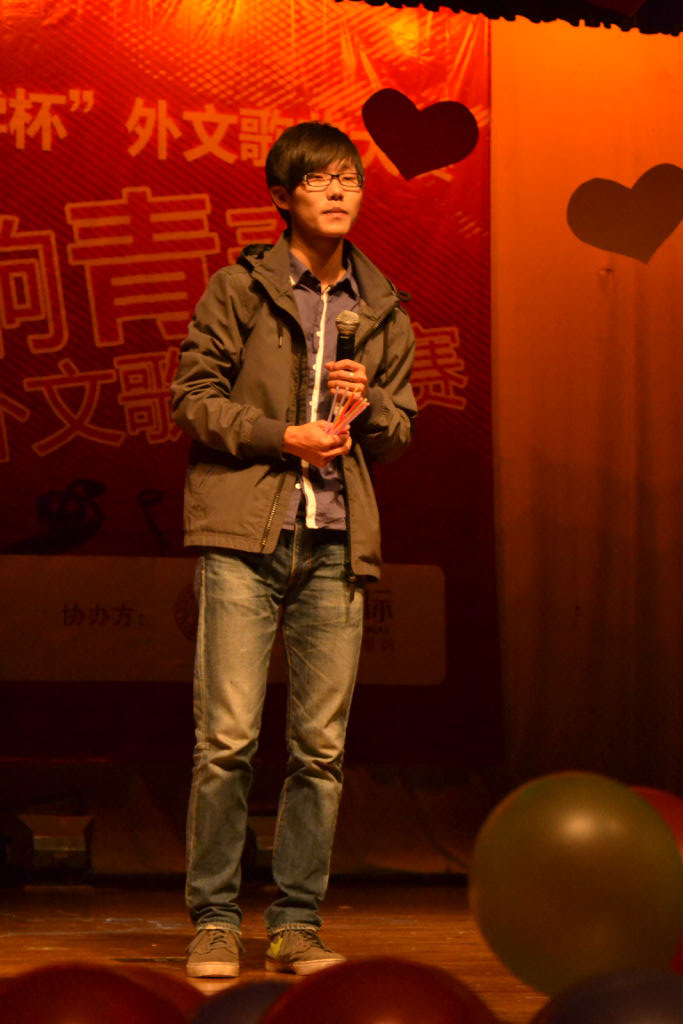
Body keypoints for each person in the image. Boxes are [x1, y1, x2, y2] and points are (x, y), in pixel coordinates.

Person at [171, 121, 417, 979]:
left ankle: (295, 924)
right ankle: (213, 920)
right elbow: (192, 399)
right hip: (246, 536)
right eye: (319, 179)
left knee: (320, 749)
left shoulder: (381, 306)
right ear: (282, 197)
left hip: (336, 543)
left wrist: (370, 404)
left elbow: (399, 431)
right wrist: (284, 436)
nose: (340, 191)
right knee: (227, 740)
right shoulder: (239, 289)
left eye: (350, 177)